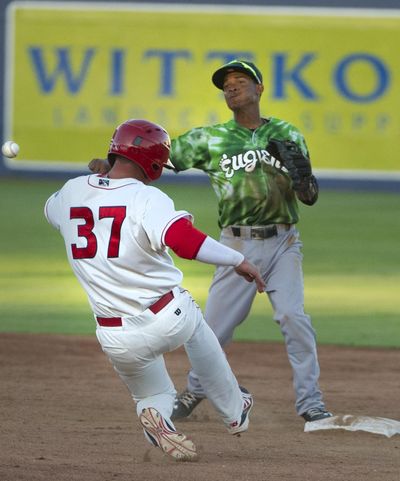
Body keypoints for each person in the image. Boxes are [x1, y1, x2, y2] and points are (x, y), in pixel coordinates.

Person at [89, 59, 333, 424]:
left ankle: (311, 403)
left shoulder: (287, 134)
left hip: (284, 242)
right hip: (235, 244)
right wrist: (114, 168)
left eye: (240, 80)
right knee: (213, 330)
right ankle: (197, 388)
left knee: (294, 318)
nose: (231, 87)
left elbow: (309, 195)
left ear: (259, 89)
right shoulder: (210, 139)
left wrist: (301, 178)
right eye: (226, 84)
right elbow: (153, 157)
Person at [45, 119, 265, 461]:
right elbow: (183, 241)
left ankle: (157, 418)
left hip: (114, 336)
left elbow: (54, 207)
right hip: (167, 316)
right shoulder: (148, 197)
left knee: (151, 394)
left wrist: (96, 181)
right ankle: (235, 412)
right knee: (196, 326)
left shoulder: (72, 192)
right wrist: (238, 260)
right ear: (153, 163)